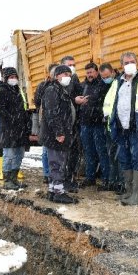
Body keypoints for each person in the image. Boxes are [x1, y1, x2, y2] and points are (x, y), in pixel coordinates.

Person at [103, 52, 138, 206]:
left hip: (137, 127)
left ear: (137, 62)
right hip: (121, 128)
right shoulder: (117, 82)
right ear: (121, 65)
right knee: (124, 159)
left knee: (137, 158)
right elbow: (109, 102)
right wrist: (108, 117)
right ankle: (128, 191)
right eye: (126, 62)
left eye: (132, 61)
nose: (129, 64)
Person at [40, 65, 78, 204]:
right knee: (58, 163)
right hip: (55, 134)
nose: (67, 76)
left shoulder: (60, 89)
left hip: (58, 133)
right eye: (64, 74)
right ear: (57, 76)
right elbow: (52, 113)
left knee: (55, 163)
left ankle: (52, 190)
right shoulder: (52, 90)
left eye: (69, 74)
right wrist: (59, 132)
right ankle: (59, 192)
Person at [0, 67, 30, 190]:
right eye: (11, 77)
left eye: (15, 77)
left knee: (19, 155)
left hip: (20, 129)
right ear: (6, 79)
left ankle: (14, 178)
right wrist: (13, 120)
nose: (13, 79)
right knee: (9, 155)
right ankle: (7, 180)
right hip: (9, 130)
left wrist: (26, 123)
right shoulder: (2, 91)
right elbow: (2, 110)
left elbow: (22, 109)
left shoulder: (17, 91)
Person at [78, 62, 110, 188]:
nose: (89, 75)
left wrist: (93, 104)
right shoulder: (83, 85)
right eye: (87, 72)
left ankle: (106, 179)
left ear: (96, 72)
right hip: (85, 124)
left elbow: (105, 103)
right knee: (88, 152)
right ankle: (90, 177)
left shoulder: (103, 85)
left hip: (98, 124)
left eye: (91, 72)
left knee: (101, 151)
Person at [60, 55, 85, 192]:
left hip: (74, 122)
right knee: (63, 154)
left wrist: (80, 99)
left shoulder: (74, 79)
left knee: (74, 152)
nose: (72, 67)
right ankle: (61, 180)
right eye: (69, 65)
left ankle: (70, 178)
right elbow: (61, 99)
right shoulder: (58, 82)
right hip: (63, 123)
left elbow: (79, 93)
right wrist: (73, 100)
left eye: (74, 64)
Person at [35, 64, 58, 184]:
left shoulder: (61, 86)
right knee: (46, 149)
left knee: (56, 150)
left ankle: (56, 173)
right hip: (45, 121)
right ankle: (47, 173)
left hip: (58, 121)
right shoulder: (43, 86)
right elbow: (37, 102)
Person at [98, 62, 120, 192]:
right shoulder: (108, 85)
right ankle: (112, 182)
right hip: (108, 125)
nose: (105, 78)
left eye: (107, 76)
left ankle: (119, 183)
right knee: (111, 155)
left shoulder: (119, 83)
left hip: (116, 125)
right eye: (103, 77)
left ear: (112, 72)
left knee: (118, 155)